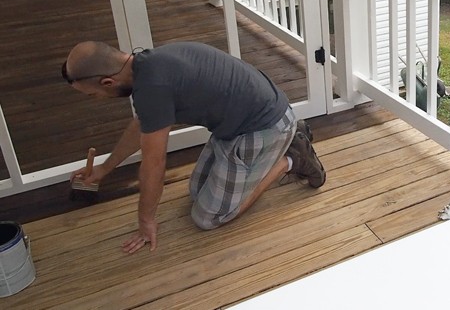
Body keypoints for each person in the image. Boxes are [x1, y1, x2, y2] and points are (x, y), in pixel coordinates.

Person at [63, 41, 325, 254]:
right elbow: (143, 125)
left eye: (92, 95)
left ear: (108, 82)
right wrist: (104, 169)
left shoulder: (152, 87)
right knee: (196, 192)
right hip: (235, 126)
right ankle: (286, 147)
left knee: (207, 218)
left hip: (264, 126)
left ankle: (291, 158)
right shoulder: (149, 63)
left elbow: (154, 164)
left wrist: (146, 223)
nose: (97, 100)